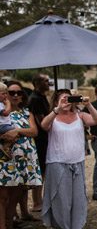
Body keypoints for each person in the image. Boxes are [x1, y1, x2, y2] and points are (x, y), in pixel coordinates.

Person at [40, 89, 97, 229]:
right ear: (56, 101)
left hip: (77, 161)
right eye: (63, 99)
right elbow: (43, 125)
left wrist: (88, 105)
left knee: (78, 197)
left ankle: (76, 227)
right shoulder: (53, 117)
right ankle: (64, 228)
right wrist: (57, 109)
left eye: (69, 99)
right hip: (57, 162)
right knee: (62, 197)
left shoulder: (79, 115)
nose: (66, 102)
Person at [0, 81, 40, 229]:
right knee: (3, 197)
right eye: (11, 92)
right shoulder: (2, 113)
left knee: (16, 196)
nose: (15, 95)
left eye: (19, 92)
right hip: (5, 160)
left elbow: (34, 131)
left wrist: (17, 131)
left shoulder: (26, 113)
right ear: (4, 94)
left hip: (24, 162)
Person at [27, 73, 51, 212]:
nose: (48, 83)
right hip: (40, 140)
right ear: (37, 83)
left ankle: (39, 200)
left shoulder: (41, 97)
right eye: (45, 81)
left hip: (44, 139)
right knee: (40, 171)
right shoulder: (35, 99)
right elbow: (41, 121)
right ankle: (37, 202)